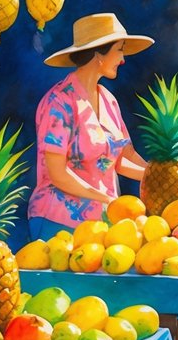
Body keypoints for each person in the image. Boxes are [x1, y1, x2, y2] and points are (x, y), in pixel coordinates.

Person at [28, 13, 153, 239]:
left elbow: (122, 158)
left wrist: (159, 175)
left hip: (100, 222)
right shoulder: (59, 102)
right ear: (98, 54)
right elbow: (57, 174)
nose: (123, 59)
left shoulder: (109, 100)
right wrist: (107, 199)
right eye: (119, 50)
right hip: (57, 222)